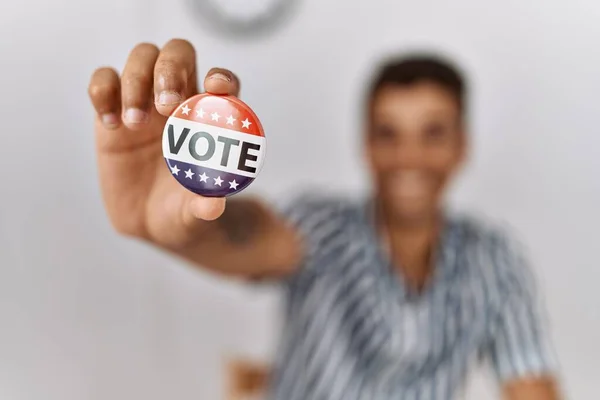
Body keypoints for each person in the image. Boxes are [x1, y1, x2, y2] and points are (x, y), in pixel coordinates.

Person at [88, 38, 562, 399]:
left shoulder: (496, 260)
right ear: (366, 144)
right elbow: (245, 237)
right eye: (388, 133)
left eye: (433, 133)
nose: (409, 156)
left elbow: (532, 382)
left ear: (462, 145)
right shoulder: (323, 228)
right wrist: (187, 222)